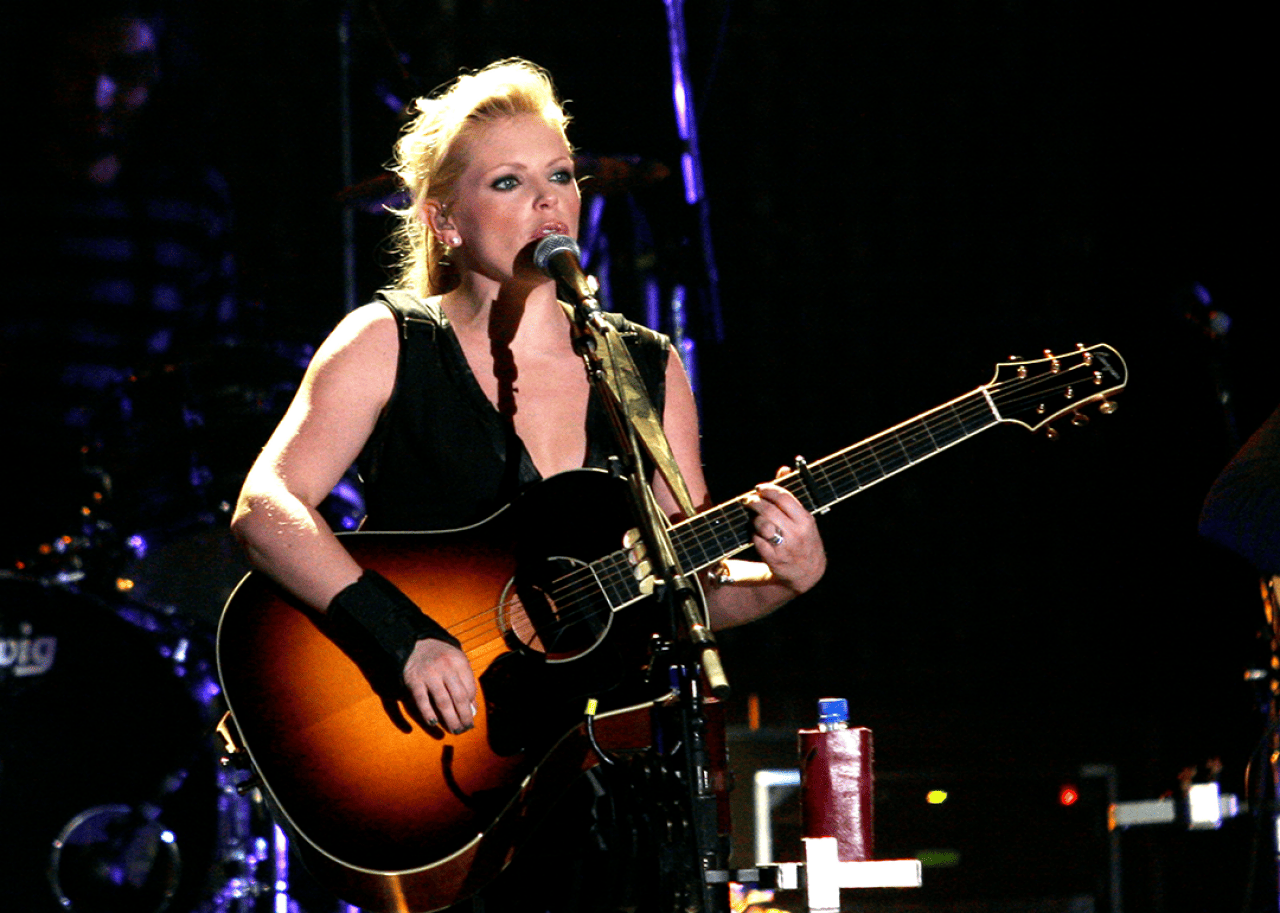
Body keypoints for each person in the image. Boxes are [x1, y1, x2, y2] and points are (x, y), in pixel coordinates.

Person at [230, 58, 826, 910]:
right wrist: (402, 635)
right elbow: (266, 508)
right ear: (444, 221)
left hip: (611, 790)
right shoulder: (387, 340)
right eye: (510, 182)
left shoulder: (644, 366)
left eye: (560, 177)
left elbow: (675, 590)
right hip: (447, 757)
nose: (549, 201)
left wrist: (782, 581)